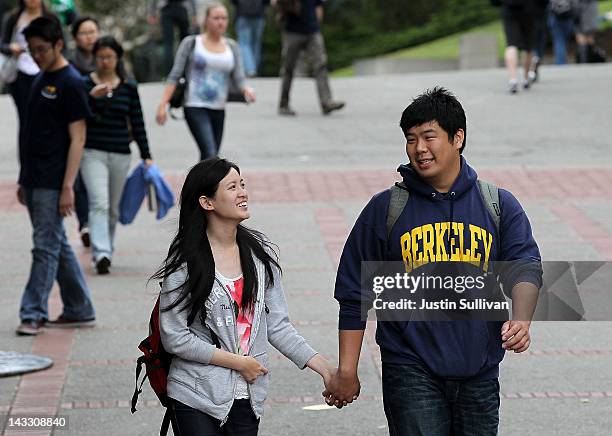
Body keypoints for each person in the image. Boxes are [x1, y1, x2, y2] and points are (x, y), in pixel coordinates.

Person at [324, 88, 543, 435]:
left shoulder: (498, 205)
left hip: (480, 372)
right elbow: (354, 293)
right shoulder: (385, 210)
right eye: (411, 139)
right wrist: (347, 370)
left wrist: (522, 317)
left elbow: (525, 265)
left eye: (429, 137)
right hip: (409, 368)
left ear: (458, 138)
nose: (419, 149)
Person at [155, 157, 335, 434]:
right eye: (232, 187)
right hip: (194, 393)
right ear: (207, 202)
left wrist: (324, 368)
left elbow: (277, 325)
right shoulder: (186, 264)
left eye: (242, 184)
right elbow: (174, 337)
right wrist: (238, 362)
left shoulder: (259, 257)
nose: (243, 192)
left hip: (248, 396)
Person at [16, 15, 96, 335]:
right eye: (32, 50)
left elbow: (78, 138)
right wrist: (23, 178)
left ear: (59, 44)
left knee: (44, 246)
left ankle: (32, 311)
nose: (36, 55)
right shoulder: (40, 78)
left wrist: (68, 186)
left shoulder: (71, 82)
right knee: (56, 243)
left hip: (54, 179)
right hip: (34, 177)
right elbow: (31, 133)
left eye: (42, 49)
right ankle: (79, 307)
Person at [81, 36, 153, 275]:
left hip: (121, 153)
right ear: (94, 58)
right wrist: (93, 97)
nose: (104, 61)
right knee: (99, 202)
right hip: (92, 152)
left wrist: (146, 154)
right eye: (100, 57)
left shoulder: (129, 87)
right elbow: (80, 118)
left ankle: (107, 250)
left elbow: (137, 121)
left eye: (109, 57)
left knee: (113, 207)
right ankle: (100, 251)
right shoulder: (85, 85)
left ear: (117, 58)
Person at [156, 3, 256, 161]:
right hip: (195, 105)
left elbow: (239, 77)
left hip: (219, 106)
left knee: (210, 156)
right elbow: (174, 75)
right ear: (206, 21)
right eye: (216, 18)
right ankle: (204, 184)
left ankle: (200, 185)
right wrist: (163, 104)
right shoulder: (192, 43)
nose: (220, 22)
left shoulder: (232, 46)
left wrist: (246, 89)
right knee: (210, 153)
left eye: (224, 18)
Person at [276, 0, 343, 116]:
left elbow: (319, 8)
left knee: (321, 65)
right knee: (288, 68)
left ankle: (326, 102)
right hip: (292, 32)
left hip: (312, 31)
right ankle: (284, 104)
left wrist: (316, 26)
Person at [69, 15, 101, 248]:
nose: (90, 37)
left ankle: (98, 225)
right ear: (75, 38)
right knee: (80, 179)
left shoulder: (108, 59)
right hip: (79, 128)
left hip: (104, 130)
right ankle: (85, 224)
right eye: (84, 33)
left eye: (93, 31)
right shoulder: (71, 66)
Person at [0, 0, 53, 138]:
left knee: (45, 115)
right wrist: (11, 47)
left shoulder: (51, 18)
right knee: (25, 117)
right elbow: (3, 44)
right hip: (20, 72)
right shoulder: (13, 17)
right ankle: (26, 155)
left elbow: (61, 44)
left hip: (45, 71)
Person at [147, 0, 197, 76]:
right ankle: (184, 74)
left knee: (168, 45)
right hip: (181, 8)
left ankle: (169, 75)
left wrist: (152, 12)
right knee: (184, 43)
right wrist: (194, 14)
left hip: (167, 9)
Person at [500, 0, 536, 93]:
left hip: (508, 8)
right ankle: (525, 78)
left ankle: (513, 79)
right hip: (528, 9)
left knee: (511, 45)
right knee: (528, 46)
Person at [231, 0, 270, 77]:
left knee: (244, 43)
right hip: (259, 14)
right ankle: (254, 68)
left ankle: (250, 69)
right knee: (256, 43)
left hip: (243, 13)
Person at [547, 0, 574, 65]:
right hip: (567, 15)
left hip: (555, 16)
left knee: (559, 40)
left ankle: (560, 61)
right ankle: (562, 60)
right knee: (563, 40)